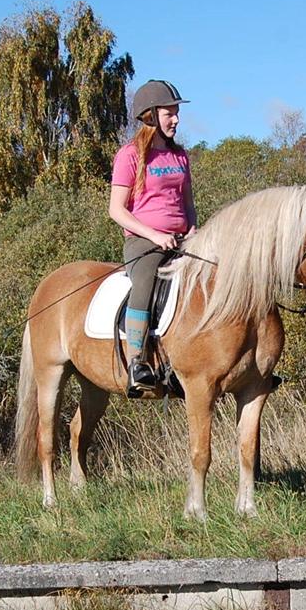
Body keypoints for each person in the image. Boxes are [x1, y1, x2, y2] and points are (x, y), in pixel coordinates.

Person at [108, 80, 197, 396]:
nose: (175, 119)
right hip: (143, 243)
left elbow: (187, 204)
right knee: (145, 283)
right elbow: (116, 210)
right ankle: (137, 363)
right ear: (150, 116)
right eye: (168, 113)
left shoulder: (180, 156)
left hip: (181, 241)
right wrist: (154, 235)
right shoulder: (130, 156)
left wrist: (194, 230)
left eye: (176, 113)